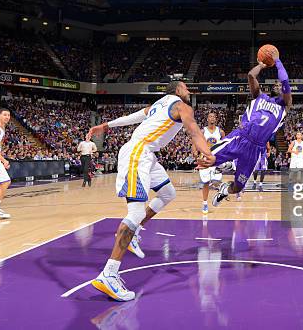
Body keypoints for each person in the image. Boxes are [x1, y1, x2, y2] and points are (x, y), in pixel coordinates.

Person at [85, 80, 215, 302]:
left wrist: (106, 126)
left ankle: (134, 232)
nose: (189, 91)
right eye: (186, 87)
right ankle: (109, 274)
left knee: (168, 193)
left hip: (147, 154)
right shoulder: (182, 106)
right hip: (138, 152)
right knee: (134, 214)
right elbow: (194, 132)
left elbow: (135, 116)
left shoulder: (159, 104)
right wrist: (209, 154)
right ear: (176, 90)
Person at [210, 55, 292, 207]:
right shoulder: (259, 96)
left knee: (238, 186)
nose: (277, 84)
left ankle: (225, 191)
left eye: (279, 85)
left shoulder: (284, 106)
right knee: (206, 158)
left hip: (255, 148)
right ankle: (229, 165)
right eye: (275, 84)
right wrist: (261, 65)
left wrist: (278, 61)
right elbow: (251, 75)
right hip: (241, 137)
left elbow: (285, 81)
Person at [193, 112, 225, 214]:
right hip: (205, 159)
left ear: (216, 119)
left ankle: (220, 193)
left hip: (216, 159)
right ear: (207, 119)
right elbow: (195, 141)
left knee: (217, 180)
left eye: (214, 117)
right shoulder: (203, 131)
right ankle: (205, 203)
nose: (212, 118)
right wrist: (194, 152)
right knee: (206, 182)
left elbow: (225, 145)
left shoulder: (221, 132)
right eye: (210, 116)